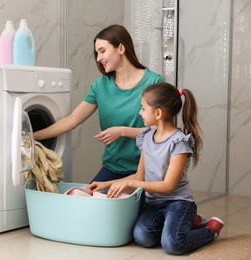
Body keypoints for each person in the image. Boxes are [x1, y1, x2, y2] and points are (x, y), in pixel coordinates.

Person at [88, 82, 224, 255]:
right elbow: (139, 176)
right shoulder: (146, 137)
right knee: (141, 236)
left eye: (143, 108)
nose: (140, 112)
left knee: (172, 244)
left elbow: (168, 186)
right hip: (154, 203)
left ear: (158, 113)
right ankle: (188, 223)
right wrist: (105, 184)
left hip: (178, 203)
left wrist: (130, 183)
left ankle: (209, 230)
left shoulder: (178, 142)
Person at [33, 24, 164, 182]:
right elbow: (72, 120)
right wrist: (32, 137)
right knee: (88, 202)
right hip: (113, 168)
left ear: (121, 48)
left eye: (102, 51)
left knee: (130, 205)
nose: (98, 58)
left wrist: (122, 131)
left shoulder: (153, 81)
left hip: (146, 169)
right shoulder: (100, 85)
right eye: (97, 53)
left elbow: (159, 130)